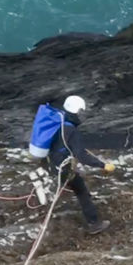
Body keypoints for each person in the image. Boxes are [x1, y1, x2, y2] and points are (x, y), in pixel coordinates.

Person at [46, 95, 114, 235]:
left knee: (75, 184)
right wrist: (103, 165)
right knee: (81, 191)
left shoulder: (59, 123)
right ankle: (94, 224)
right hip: (63, 168)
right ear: (77, 111)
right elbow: (81, 156)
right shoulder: (72, 130)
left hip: (52, 164)